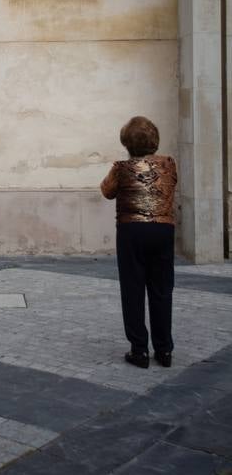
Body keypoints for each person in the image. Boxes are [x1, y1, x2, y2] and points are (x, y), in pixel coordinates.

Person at [100, 116, 177, 369]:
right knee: (162, 290)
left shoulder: (121, 168)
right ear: (154, 140)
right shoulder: (169, 164)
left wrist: (116, 170)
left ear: (127, 143)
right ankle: (164, 350)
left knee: (133, 290)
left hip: (132, 231)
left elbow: (106, 191)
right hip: (163, 230)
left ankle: (139, 350)